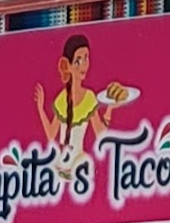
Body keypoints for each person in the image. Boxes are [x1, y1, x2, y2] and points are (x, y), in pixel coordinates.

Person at [34, 33, 125, 175]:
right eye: (78, 61)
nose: (84, 65)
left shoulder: (89, 97)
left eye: (86, 58)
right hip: (61, 164)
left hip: (80, 163)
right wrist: (40, 108)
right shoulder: (62, 98)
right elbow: (51, 134)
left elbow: (100, 133)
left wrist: (110, 108)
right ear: (67, 65)